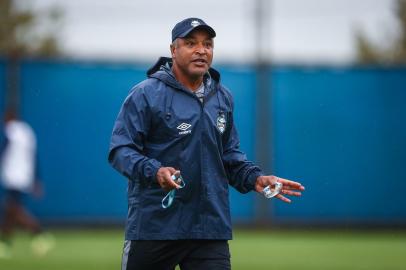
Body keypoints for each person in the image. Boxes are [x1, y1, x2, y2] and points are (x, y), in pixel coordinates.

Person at [108, 17, 305, 270]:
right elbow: (120, 150)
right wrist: (155, 171)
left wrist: (256, 179)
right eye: (191, 43)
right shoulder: (145, 94)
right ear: (173, 50)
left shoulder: (222, 97)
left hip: (209, 228)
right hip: (155, 227)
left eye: (208, 44)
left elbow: (229, 156)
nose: (201, 50)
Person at [0, 109, 54, 258]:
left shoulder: (10, 131)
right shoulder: (27, 132)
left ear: (8, 117)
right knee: (10, 210)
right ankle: (5, 243)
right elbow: (34, 157)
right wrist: (37, 179)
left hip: (12, 176)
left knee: (13, 209)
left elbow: (3, 150)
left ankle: (39, 233)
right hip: (25, 176)